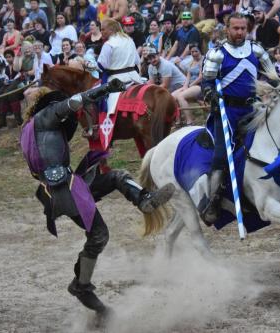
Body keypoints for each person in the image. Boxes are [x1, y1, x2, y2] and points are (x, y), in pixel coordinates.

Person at [20, 81, 175, 321]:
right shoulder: (46, 115)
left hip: (66, 185)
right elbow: (73, 102)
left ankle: (144, 199)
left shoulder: (29, 129)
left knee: (116, 176)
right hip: (65, 190)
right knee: (99, 234)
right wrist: (105, 90)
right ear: (47, 103)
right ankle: (81, 285)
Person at [201, 12, 274, 224]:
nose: (240, 32)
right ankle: (213, 202)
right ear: (227, 28)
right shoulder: (217, 54)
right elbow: (207, 82)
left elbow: (272, 75)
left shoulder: (257, 50)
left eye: (243, 28)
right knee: (222, 157)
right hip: (227, 111)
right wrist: (210, 93)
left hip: (253, 109)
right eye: (236, 28)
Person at [98, 18, 141, 114]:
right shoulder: (130, 40)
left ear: (111, 30)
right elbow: (137, 60)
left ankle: (104, 117)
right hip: (135, 78)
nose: (101, 32)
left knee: (96, 96)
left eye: (103, 29)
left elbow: (102, 65)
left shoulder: (108, 44)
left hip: (116, 81)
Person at [172, 44, 203, 125]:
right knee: (173, 95)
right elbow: (188, 77)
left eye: (196, 51)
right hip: (190, 85)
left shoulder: (202, 61)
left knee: (180, 96)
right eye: (192, 52)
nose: (194, 53)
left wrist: (190, 86)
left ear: (200, 51)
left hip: (199, 85)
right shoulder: (191, 62)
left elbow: (200, 77)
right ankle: (178, 120)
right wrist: (185, 86)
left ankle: (190, 121)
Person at [0, 49, 23, 127]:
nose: (8, 59)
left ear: (13, 57)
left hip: (19, 83)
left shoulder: (17, 63)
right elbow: (6, 77)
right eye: (7, 57)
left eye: (10, 57)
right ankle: (2, 120)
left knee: (9, 93)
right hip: (10, 84)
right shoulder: (6, 67)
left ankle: (18, 119)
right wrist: (5, 81)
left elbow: (19, 74)